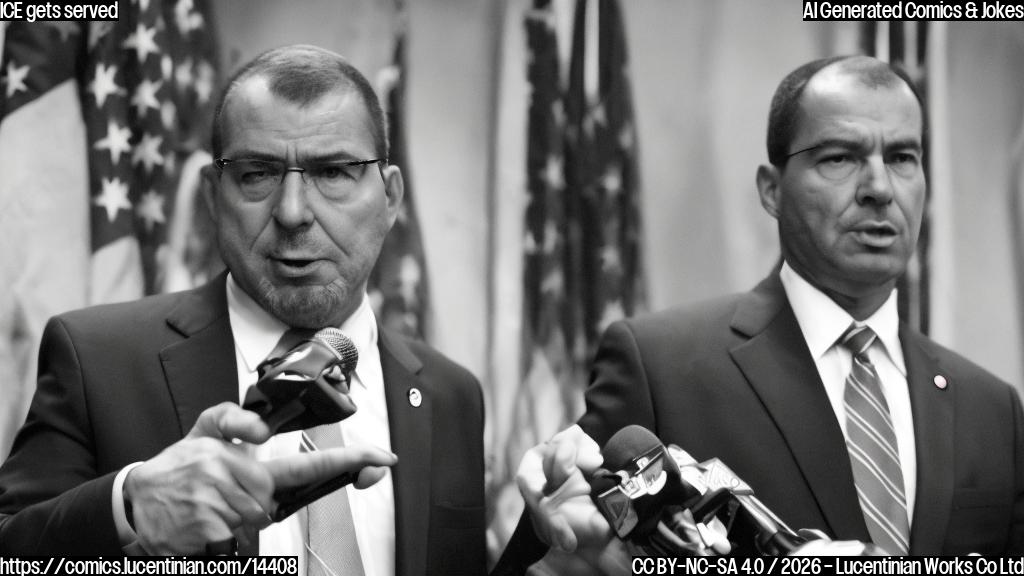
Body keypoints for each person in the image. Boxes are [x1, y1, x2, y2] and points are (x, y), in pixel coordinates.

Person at [494, 55, 1024, 572]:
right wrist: (562, 567)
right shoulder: (660, 369)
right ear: (772, 190)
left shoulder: (992, 409)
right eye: (840, 157)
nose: (880, 189)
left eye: (903, 157)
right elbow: (564, 548)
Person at [0, 45, 486, 576]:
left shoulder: (451, 395)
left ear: (389, 197)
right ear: (213, 197)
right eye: (257, 174)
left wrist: (545, 560)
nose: (293, 212)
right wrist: (130, 507)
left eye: (333, 172)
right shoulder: (97, 361)